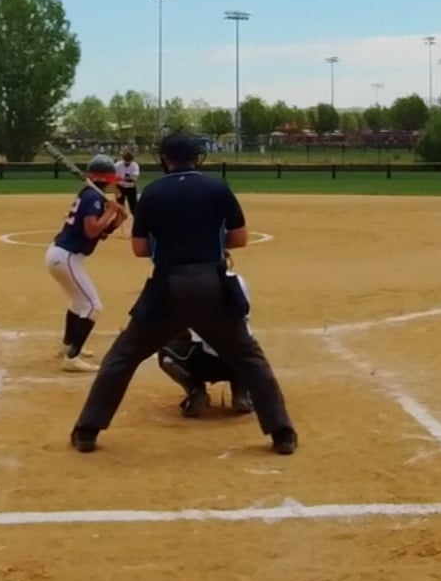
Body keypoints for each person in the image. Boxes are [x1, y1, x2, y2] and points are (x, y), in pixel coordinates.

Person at [70, 132, 296, 455]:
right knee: (249, 357)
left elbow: (139, 248)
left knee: (123, 357)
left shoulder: (153, 192)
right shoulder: (217, 187)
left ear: (165, 159)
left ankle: (87, 431)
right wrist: (205, 242)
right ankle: (282, 432)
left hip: (167, 289)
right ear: (196, 157)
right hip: (212, 286)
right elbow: (240, 238)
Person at [46, 153, 128, 372]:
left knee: (78, 303)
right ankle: (72, 359)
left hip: (62, 256)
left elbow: (101, 233)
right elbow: (91, 230)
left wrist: (116, 220)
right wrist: (110, 211)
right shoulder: (92, 197)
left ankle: (68, 346)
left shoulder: (91, 195)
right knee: (93, 306)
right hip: (66, 257)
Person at [157, 252, 255, 417]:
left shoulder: (187, 285)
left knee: (165, 351)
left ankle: (196, 391)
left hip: (204, 362)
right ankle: (241, 393)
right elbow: (244, 315)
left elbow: (180, 329)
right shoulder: (238, 280)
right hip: (240, 359)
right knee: (249, 345)